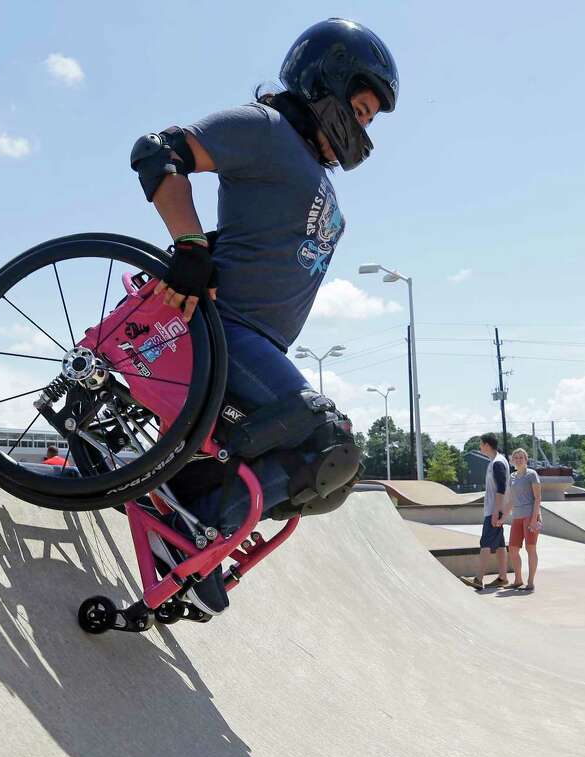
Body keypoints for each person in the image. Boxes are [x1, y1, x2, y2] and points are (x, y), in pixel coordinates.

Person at [129, 18, 398, 615]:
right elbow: (157, 152)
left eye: (370, 120)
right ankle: (195, 531)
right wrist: (191, 247)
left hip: (263, 351)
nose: (362, 130)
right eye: (358, 109)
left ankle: (183, 500)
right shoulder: (265, 129)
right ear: (321, 83)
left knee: (332, 472)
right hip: (222, 334)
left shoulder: (312, 167)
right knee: (325, 441)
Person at [460, 434, 510, 590]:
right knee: (500, 545)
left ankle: (478, 579)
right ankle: (502, 577)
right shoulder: (495, 461)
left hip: (494, 510)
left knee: (485, 544)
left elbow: (501, 488)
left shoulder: (497, 463)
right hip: (496, 509)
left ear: (487, 445)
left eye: (481, 445)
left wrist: (496, 511)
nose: (480, 447)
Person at [506, 448, 542, 590]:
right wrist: (503, 517)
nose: (519, 459)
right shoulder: (512, 476)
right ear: (513, 460)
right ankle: (518, 579)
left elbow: (538, 498)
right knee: (513, 549)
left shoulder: (532, 474)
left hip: (530, 515)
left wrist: (534, 519)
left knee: (530, 548)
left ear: (526, 460)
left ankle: (531, 581)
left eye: (522, 457)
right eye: (516, 457)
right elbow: (511, 500)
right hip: (517, 517)